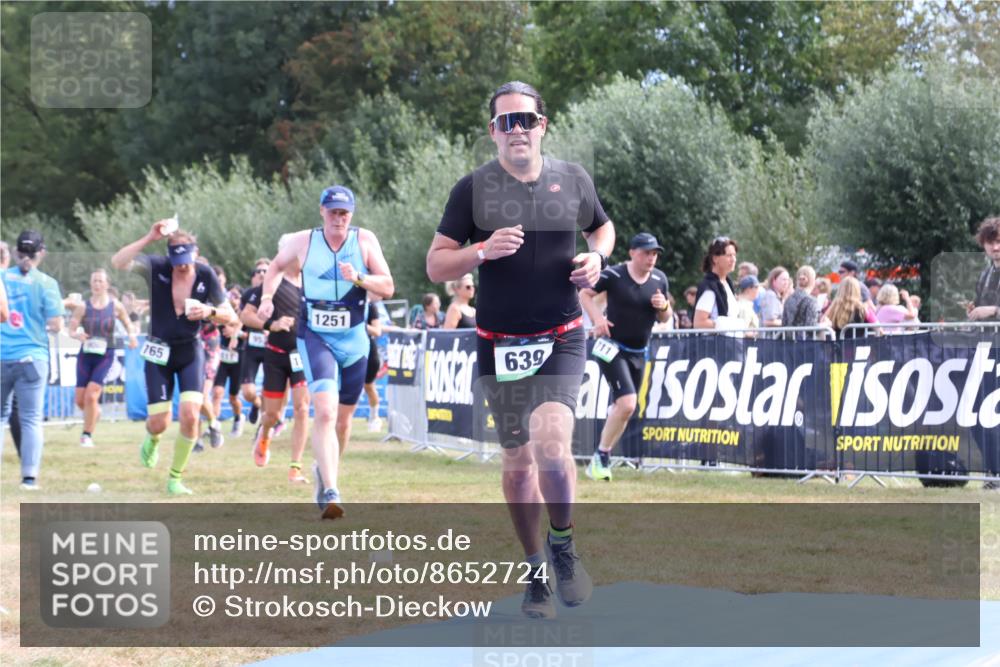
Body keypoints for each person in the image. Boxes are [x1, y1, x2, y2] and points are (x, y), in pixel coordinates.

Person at [427, 80, 614, 619]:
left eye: (525, 120)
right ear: (493, 132)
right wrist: (481, 251)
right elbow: (436, 264)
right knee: (516, 463)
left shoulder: (572, 179)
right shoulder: (472, 190)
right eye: (506, 121)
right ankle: (535, 571)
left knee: (552, 445)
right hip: (498, 343)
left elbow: (602, 229)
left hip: (560, 336)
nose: (517, 130)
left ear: (542, 125)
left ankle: (563, 544)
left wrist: (598, 258)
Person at [258, 185, 394, 518]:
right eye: (333, 211)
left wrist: (360, 277)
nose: (338, 218)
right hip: (315, 336)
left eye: (344, 212)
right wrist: (265, 299)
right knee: (325, 411)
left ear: (352, 214)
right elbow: (274, 268)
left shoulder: (364, 241)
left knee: (343, 424)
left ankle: (325, 470)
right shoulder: (303, 241)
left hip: (354, 340)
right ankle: (331, 490)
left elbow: (388, 287)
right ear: (322, 211)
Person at [111, 222, 236, 495]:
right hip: (158, 351)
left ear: (196, 253)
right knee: (160, 422)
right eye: (176, 261)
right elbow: (118, 262)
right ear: (169, 257)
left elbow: (231, 316)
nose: (182, 267)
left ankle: (175, 478)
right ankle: (153, 438)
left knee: (190, 414)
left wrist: (208, 312)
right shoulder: (156, 266)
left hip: (190, 351)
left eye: (186, 261)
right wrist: (149, 236)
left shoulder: (205, 274)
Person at [579, 232, 668, 482]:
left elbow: (665, 318)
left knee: (625, 409)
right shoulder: (614, 274)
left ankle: (600, 457)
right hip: (612, 347)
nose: (651, 258)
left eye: (654, 254)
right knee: (627, 403)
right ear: (632, 253)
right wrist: (598, 319)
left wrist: (664, 306)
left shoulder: (660, 279)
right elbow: (584, 294)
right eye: (646, 253)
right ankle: (600, 459)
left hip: (640, 352)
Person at [243, 235, 311, 483]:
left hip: (302, 356)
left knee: (303, 408)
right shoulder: (272, 281)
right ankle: (265, 434)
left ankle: (296, 467)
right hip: (276, 355)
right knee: (271, 415)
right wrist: (272, 324)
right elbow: (246, 315)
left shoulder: (312, 281)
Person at [1, 231, 63, 490]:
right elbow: (56, 324)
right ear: (42, 253)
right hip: (33, 357)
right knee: (30, 419)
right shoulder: (47, 283)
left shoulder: (2, 278)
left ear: (17, 253)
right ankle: (29, 478)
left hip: (2, 354)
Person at [67, 268, 139, 448]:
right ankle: (95, 413)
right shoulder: (83, 306)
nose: (97, 284)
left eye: (100, 281)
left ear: (107, 284)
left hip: (106, 354)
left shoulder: (115, 306)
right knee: (80, 400)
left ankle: (86, 435)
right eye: (94, 281)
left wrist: (131, 336)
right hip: (86, 354)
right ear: (91, 284)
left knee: (91, 395)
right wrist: (78, 335)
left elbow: (128, 322)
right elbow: (72, 329)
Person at [239, 259, 271, 426]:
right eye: (258, 271)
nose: (261, 274)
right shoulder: (248, 295)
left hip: (271, 348)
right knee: (248, 392)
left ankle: (263, 427)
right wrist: (236, 333)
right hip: (251, 347)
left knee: (269, 390)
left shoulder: (279, 293)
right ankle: (256, 404)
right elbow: (240, 319)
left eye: (265, 271)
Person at [212, 287, 246, 435]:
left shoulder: (246, 315)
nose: (232, 298)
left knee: (233, 397)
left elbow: (252, 336)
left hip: (239, 358)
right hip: (223, 358)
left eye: (236, 296)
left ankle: (238, 418)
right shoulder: (222, 314)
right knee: (217, 392)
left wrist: (236, 333)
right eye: (230, 295)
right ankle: (213, 426)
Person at [693, 237, 738, 329]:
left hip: (729, 341)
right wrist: (728, 325)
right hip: (713, 342)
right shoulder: (709, 287)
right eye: (729, 255)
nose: (733, 259)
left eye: (734, 255)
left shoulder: (728, 283)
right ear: (715, 259)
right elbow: (699, 323)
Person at [969, 216, 1000, 321]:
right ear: (983, 245)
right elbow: (981, 309)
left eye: (999, 241)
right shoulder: (984, 276)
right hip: (987, 337)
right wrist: (974, 311)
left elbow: (990, 311)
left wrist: (994, 311)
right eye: (990, 243)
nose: (995, 247)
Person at [364, 296, 386, 432]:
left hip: (368, 350)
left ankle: (375, 417)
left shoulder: (371, 306)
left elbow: (377, 331)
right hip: (347, 349)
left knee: (369, 386)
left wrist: (358, 323)